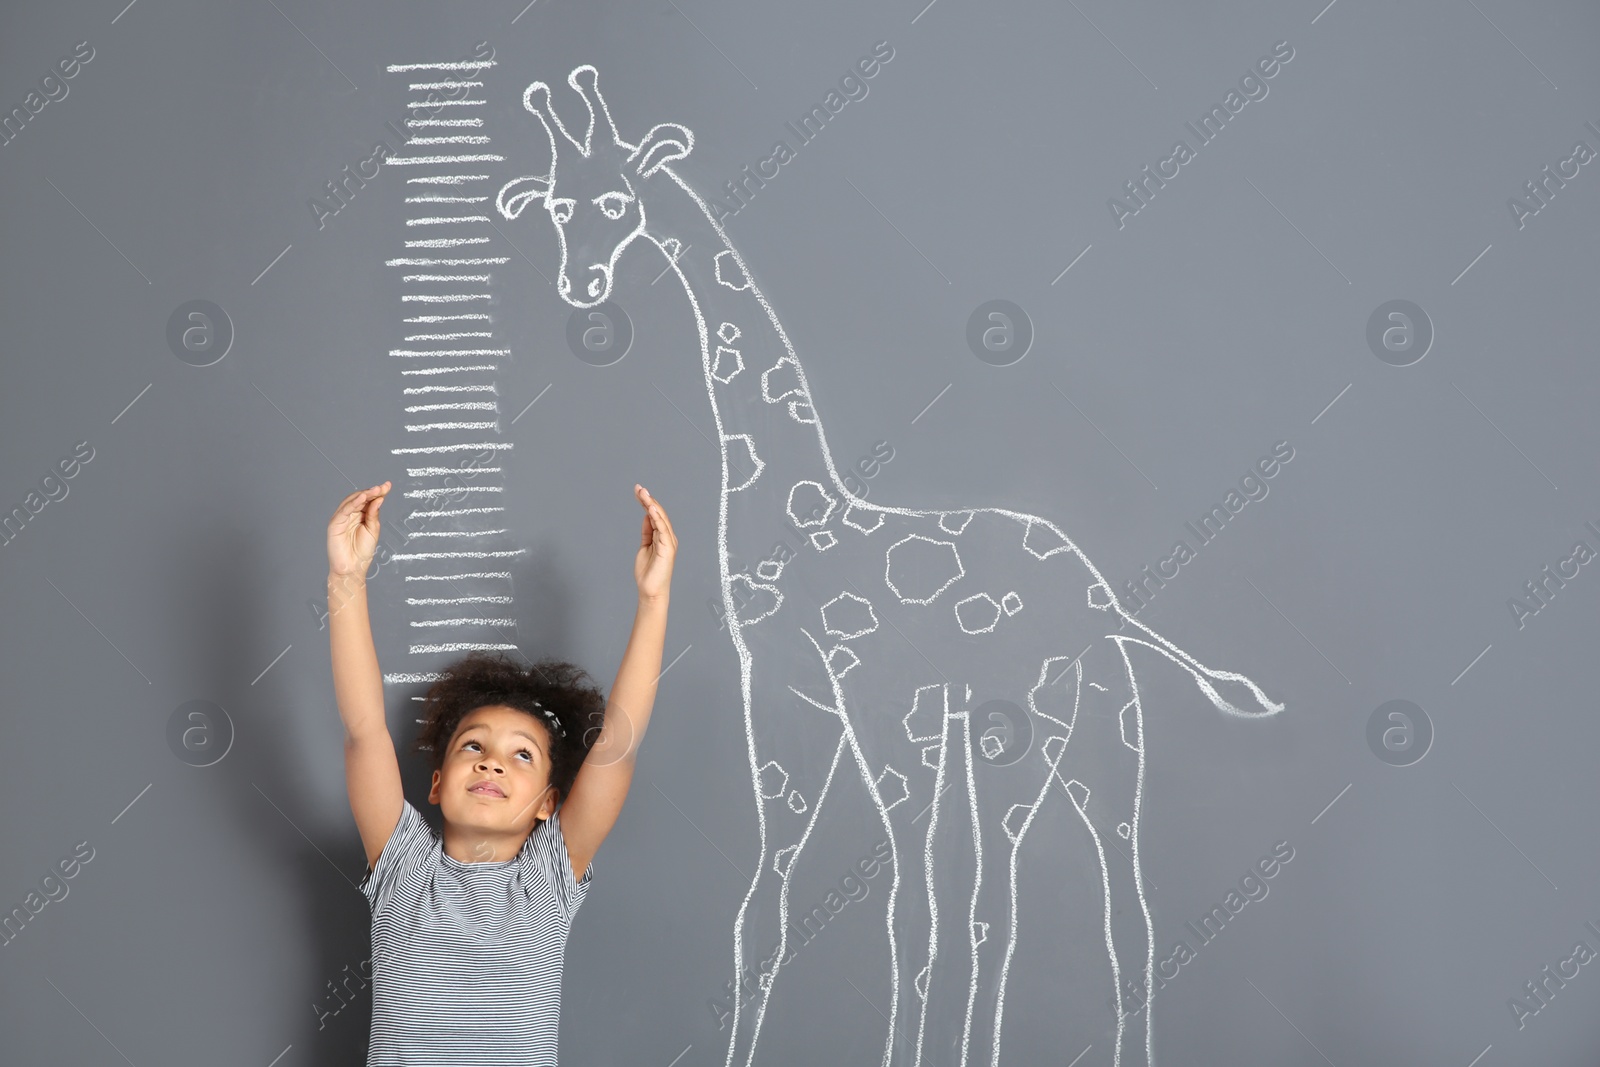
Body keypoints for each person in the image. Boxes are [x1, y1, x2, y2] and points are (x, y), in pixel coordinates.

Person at [325, 479, 676, 1065]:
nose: (491, 761)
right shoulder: (404, 871)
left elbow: (617, 748)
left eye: (522, 756)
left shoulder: (547, 882)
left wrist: (654, 601)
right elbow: (365, 731)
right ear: (435, 784)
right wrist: (346, 580)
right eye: (471, 747)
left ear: (547, 804)